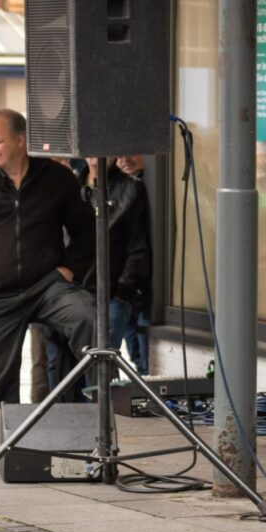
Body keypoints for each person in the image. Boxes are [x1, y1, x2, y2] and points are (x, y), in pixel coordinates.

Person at [0, 108, 96, 409]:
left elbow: (86, 231)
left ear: (20, 140)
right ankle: (6, 451)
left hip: (48, 287)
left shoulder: (58, 178)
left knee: (87, 318)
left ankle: (95, 403)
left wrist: (71, 269)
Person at [47, 157, 152, 391]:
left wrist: (123, 291)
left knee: (98, 372)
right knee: (60, 367)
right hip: (66, 291)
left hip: (111, 294)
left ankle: (100, 423)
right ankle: (67, 423)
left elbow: (138, 246)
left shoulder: (131, 188)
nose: (97, 152)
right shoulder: (69, 184)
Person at [114, 154, 151, 374]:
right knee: (135, 355)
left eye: (132, 153)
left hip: (142, 290)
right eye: (119, 155)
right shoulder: (117, 188)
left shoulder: (153, 185)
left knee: (145, 362)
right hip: (122, 288)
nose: (125, 159)